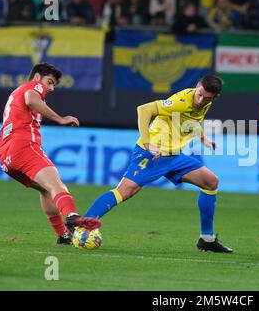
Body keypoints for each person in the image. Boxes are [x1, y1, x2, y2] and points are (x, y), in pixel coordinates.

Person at [84, 75, 233, 253]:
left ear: (214, 97)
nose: (201, 100)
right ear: (197, 86)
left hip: (174, 156)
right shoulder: (180, 101)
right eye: (200, 94)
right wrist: (148, 143)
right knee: (125, 191)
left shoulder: (206, 103)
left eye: (207, 98)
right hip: (151, 153)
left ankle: (207, 239)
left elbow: (192, 120)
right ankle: (82, 224)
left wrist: (203, 139)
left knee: (211, 182)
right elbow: (143, 110)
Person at [0, 63, 101, 245]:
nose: (50, 88)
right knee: (57, 185)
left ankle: (63, 235)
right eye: (49, 82)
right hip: (23, 145)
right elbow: (30, 98)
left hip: (5, 156)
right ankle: (72, 217)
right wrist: (60, 118)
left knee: (46, 189)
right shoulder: (31, 87)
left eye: (53, 85)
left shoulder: (15, 93)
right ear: (37, 77)